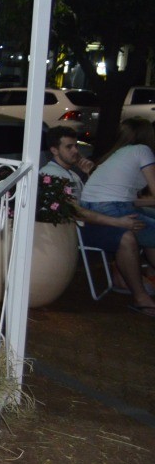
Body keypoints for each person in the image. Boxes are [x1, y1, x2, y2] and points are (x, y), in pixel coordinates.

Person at [76, 118, 155, 316]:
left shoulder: (115, 155)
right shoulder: (143, 151)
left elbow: (128, 198)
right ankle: (142, 296)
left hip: (96, 207)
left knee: (149, 222)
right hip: (112, 208)